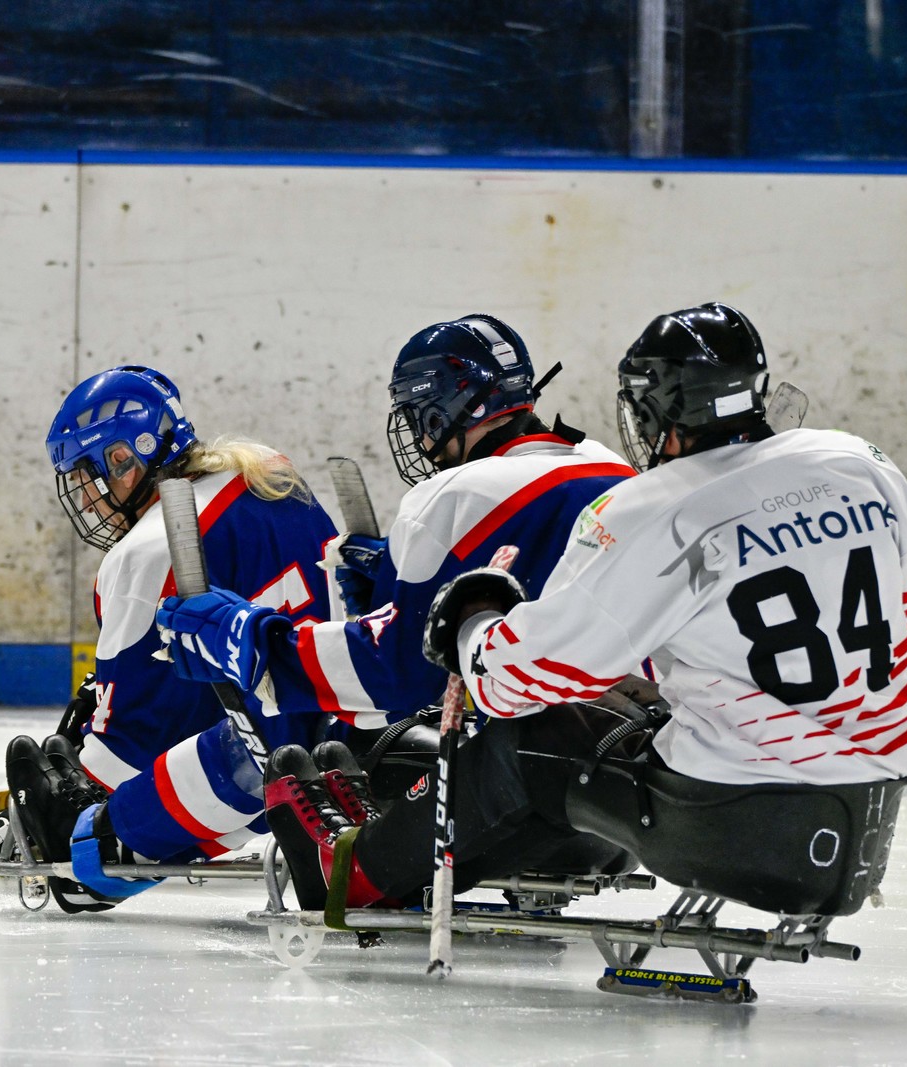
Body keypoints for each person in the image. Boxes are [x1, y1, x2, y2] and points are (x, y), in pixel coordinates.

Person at [224, 303, 907, 914]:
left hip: (732, 825)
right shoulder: (861, 463)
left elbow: (515, 680)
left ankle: (355, 872)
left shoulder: (659, 507)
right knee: (629, 708)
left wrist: (471, 620)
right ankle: (529, 851)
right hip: (866, 817)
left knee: (530, 730)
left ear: (654, 409)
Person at [153, 315, 640, 904]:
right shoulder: (617, 469)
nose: (417, 435)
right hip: (625, 803)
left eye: (417, 416)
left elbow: (396, 676)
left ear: (442, 410)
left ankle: (367, 868)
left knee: (353, 747)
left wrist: (252, 640)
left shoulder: (451, 494)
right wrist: (402, 587)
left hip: (517, 801)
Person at [4, 364, 338, 912]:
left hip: (263, 767)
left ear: (123, 457)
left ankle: (93, 865)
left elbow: (128, 746)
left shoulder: (143, 551)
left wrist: (48, 814)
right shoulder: (270, 474)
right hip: (346, 733)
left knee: (81, 844)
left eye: (91, 475)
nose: (88, 499)